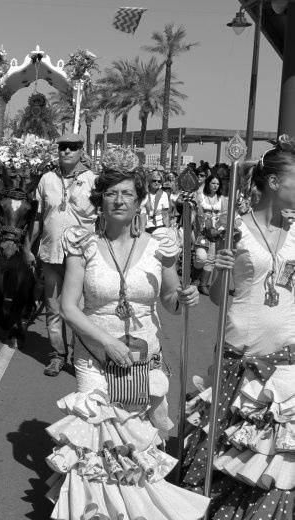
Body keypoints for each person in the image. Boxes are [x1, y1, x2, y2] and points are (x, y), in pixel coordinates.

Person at [50, 147, 209, 519]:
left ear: (140, 201)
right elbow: (69, 307)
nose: (119, 200)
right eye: (111, 193)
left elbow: (169, 299)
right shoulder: (82, 243)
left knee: (136, 444)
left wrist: (184, 295)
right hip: (95, 358)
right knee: (98, 442)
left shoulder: (159, 247)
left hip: (143, 361)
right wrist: (105, 343)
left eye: (127, 194)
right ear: (99, 198)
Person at [179, 136, 295, 519]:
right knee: (229, 452)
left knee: (274, 459)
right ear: (274, 183)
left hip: (288, 358)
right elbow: (216, 296)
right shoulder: (235, 229)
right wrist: (219, 270)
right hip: (241, 354)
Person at [32, 132, 98, 376]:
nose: (67, 151)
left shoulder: (93, 180)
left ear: (81, 150)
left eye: (72, 147)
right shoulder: (46, 179)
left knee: (79, 309)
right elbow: (39, 219)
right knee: (54, 308)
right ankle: (58, 355)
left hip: (80, 258)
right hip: (50, 254)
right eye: (63, 147)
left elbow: (103, 219)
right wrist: (30, 249)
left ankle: (81, 358)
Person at [192, 173, 228, 295]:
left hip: (215, 232)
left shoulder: (222, 199)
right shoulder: (200, 196)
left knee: (211, 259)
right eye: (213, 183)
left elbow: (224, 216)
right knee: (201, 258)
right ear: (208, 183)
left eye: (217, 184)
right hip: (201, 232)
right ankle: (194, 277)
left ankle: (203, 285)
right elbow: (193, 213)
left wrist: (220, 229)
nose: (215, 186)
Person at [142, 167, 174, 232]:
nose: (157, 183)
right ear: (150, 181)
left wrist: (167, 230)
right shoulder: (143, 194)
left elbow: (165, 214)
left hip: (159, 227)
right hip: (145, 227)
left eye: (159, 181)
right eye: (154, 180)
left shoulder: (163, 194)